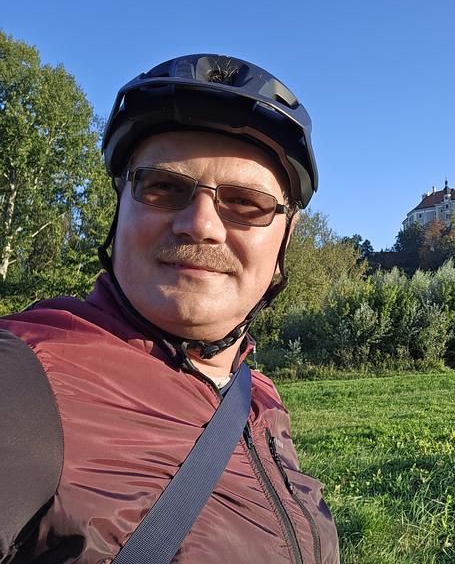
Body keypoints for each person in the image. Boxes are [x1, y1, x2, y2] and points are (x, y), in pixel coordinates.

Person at [0, 54, 339, 563]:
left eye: (245, 202)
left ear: (284, 242)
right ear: (120, 210)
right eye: (163, 187)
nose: (200, 224)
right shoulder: (25, 376)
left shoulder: (259, 398)